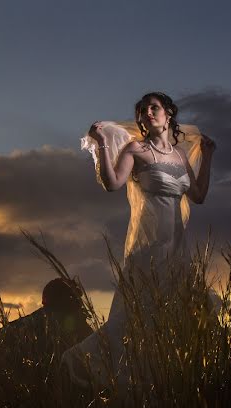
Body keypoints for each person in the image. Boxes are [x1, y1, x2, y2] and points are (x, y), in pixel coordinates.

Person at [62, 92, 216, 386]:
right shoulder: (136, 150)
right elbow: (112, 184)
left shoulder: (180, 155)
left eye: (154, 107)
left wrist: (207, 157)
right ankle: (89, 366)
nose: (147, 113)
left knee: (181, 317)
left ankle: (165, 382)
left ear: (168, 113)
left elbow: (198, 196)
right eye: (142, 110)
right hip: (148, 249)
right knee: (135, 317)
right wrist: (103, 142)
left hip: (177, 252)